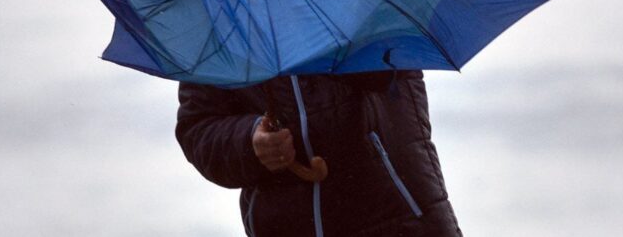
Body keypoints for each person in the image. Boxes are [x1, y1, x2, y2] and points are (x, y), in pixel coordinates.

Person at [176, 69, 462, 236]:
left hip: (403, 211)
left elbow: (392, 67)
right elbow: (198, 127)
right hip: (287, 224)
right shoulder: (219, 14)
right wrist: (251, 141)